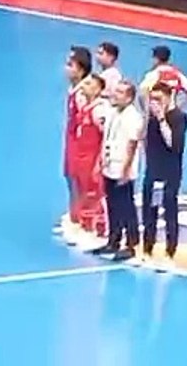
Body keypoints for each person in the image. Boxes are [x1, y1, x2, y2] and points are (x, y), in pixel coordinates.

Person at [93, 81, 145, 261]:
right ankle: (113, 240)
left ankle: (131, 243)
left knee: (126, 206)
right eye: (115, 91)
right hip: (109, 164)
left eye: (120, 92)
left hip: (122, 167)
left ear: (130, 98)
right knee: (112, 204)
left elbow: (132, 145)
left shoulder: (133, 117)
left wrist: (126, 169)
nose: (115, 95)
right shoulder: (112, 112)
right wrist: (101, 160)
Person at [142, 83, 187, 264]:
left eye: (159, 99)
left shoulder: (179, 118)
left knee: (169, 210)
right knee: (149, 210)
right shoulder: (151, 118)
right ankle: (147, 247)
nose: (155, 103)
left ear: (169, 98)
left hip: (170, 172)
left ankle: (170, 250)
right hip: (153, 170)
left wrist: (162, 120)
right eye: (152, 99)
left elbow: (174, 145)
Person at [68, 74, 109, 243]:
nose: (83, 86)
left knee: (93, 192)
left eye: (88, 83)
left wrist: (100, 160)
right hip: (82, 155)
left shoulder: (99, 109)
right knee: (83, 190)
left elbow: (105, 134)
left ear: (98, 89)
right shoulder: (86, 106)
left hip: (92, 156)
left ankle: (97, 229)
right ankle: (85, 226)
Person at [62, 47, 93, 239]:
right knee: (69, 175)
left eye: (70, 65)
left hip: (81, 142)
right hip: (72, 138)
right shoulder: (73, 88)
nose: (66, 69)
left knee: (80, 179)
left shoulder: (83, 92)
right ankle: (75, 215)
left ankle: (83, 219)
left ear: (81, 69)